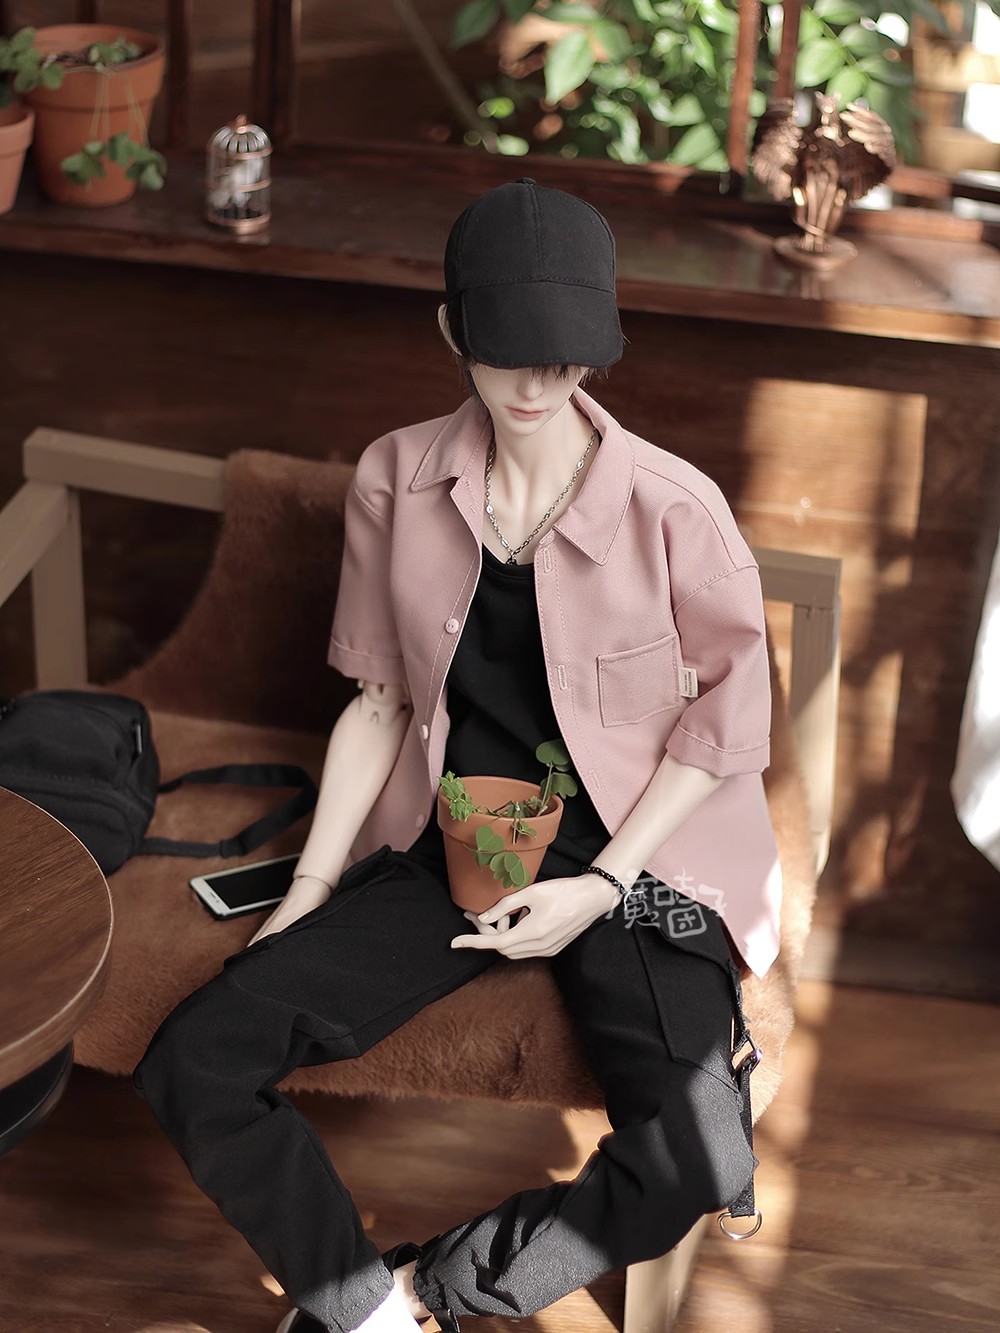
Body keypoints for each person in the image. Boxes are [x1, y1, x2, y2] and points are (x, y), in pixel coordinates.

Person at [131, 177, 780, 1333]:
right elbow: (379, 700)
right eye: (506, 351)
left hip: (642, 864)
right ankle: (360, 1311)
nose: (536, 383)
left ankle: (437, 1286)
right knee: (198, 1054)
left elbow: (722, 733)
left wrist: (600, 884)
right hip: (463, 838)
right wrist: (309, 893)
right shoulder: (395, 477)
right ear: (450, 332)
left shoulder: (678, 510)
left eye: (564, 356)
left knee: (697, 1149)